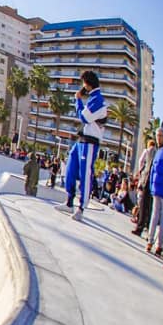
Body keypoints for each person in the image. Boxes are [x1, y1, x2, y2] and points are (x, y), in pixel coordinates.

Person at [56, 71, 107, 221]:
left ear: (88, 84)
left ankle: (81, 208)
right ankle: (69, 201)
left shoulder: (98, 99)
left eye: (84, 84)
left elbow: (84, 117)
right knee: (71, 167)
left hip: (90, 142)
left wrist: (78, 100)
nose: (82, 87)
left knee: (86, 173)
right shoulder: (92, 98)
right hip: (82, 140)